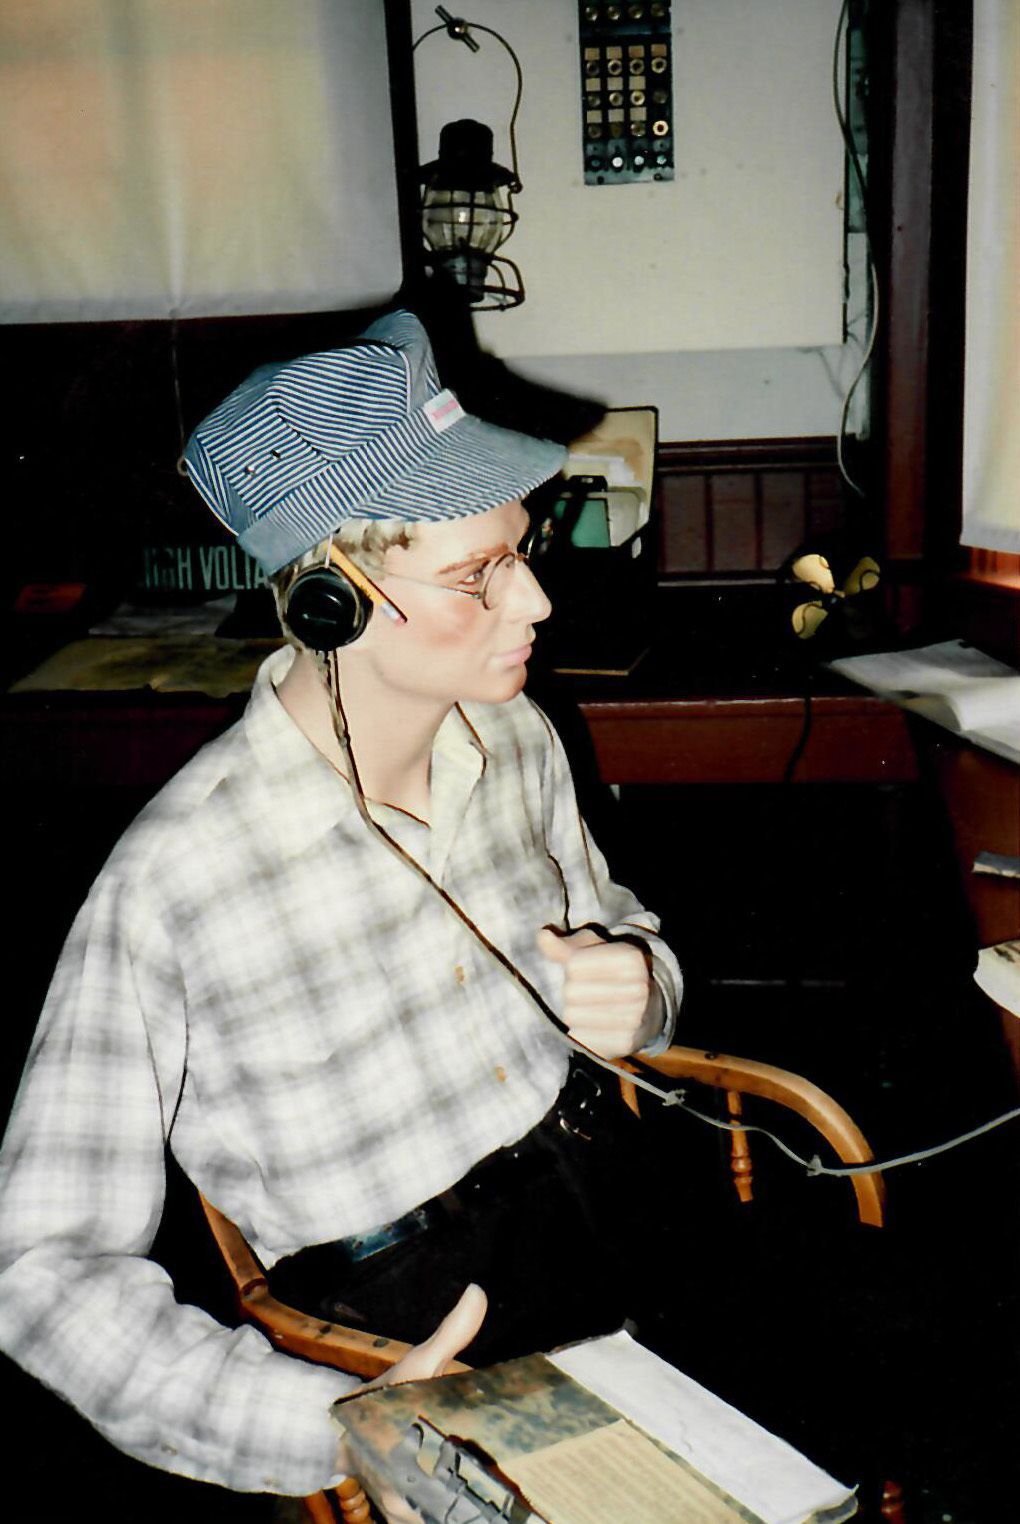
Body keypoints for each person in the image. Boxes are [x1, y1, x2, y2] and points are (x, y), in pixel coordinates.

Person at [0, 311, 682, 1502]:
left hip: (607, 1195)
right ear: (332, 601)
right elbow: (41, 1272)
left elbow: (622, 927)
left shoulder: (518, 737)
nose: (534, 602)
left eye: (521, 551)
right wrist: (325, 1424)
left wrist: (644, 986)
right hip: (416, 1321)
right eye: (476, 577)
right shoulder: (178, 879)